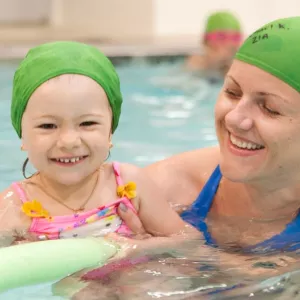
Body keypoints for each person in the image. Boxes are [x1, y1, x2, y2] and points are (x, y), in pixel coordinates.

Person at [118, 16, 300, 254]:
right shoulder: (162, 191)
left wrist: (198, 253)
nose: (233, 118)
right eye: (232, 92)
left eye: (270, 108)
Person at [0, 41, 193, 244]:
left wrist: (139, 248)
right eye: (48, 126)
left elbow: (187, 242)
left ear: (110, 132)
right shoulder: (13, 207)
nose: (69, 141)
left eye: (87, 123)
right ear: (22, 136)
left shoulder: (130, 185)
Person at [186, 11, 243, 76]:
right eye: (221, 37)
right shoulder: (196, 62)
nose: (229, 43)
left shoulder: (238, 66)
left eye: (235, 37)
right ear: (206, 40)